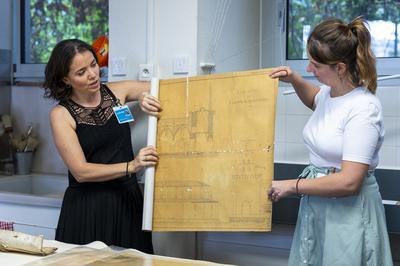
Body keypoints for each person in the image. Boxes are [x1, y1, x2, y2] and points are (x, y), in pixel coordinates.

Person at [268, 17, 393, 265]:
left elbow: (349, 182)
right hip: (320, 204)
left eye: (315, 65)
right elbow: (316, 99)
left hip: (348, 211)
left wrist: (292, 186)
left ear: (340, 68)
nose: (309, 70)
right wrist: (294, 79)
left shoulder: (363, 109)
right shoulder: (330, 93)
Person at [43, 39, 161, 253]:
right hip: (88, 208)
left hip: (127, 202)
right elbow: (81, 171)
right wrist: (131, 166)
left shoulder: (117, 92)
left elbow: (158, 87)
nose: (92, 74)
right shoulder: (61, 115)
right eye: (81, 72)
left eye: (93, 65)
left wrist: (144, 95)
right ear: (65, 79)